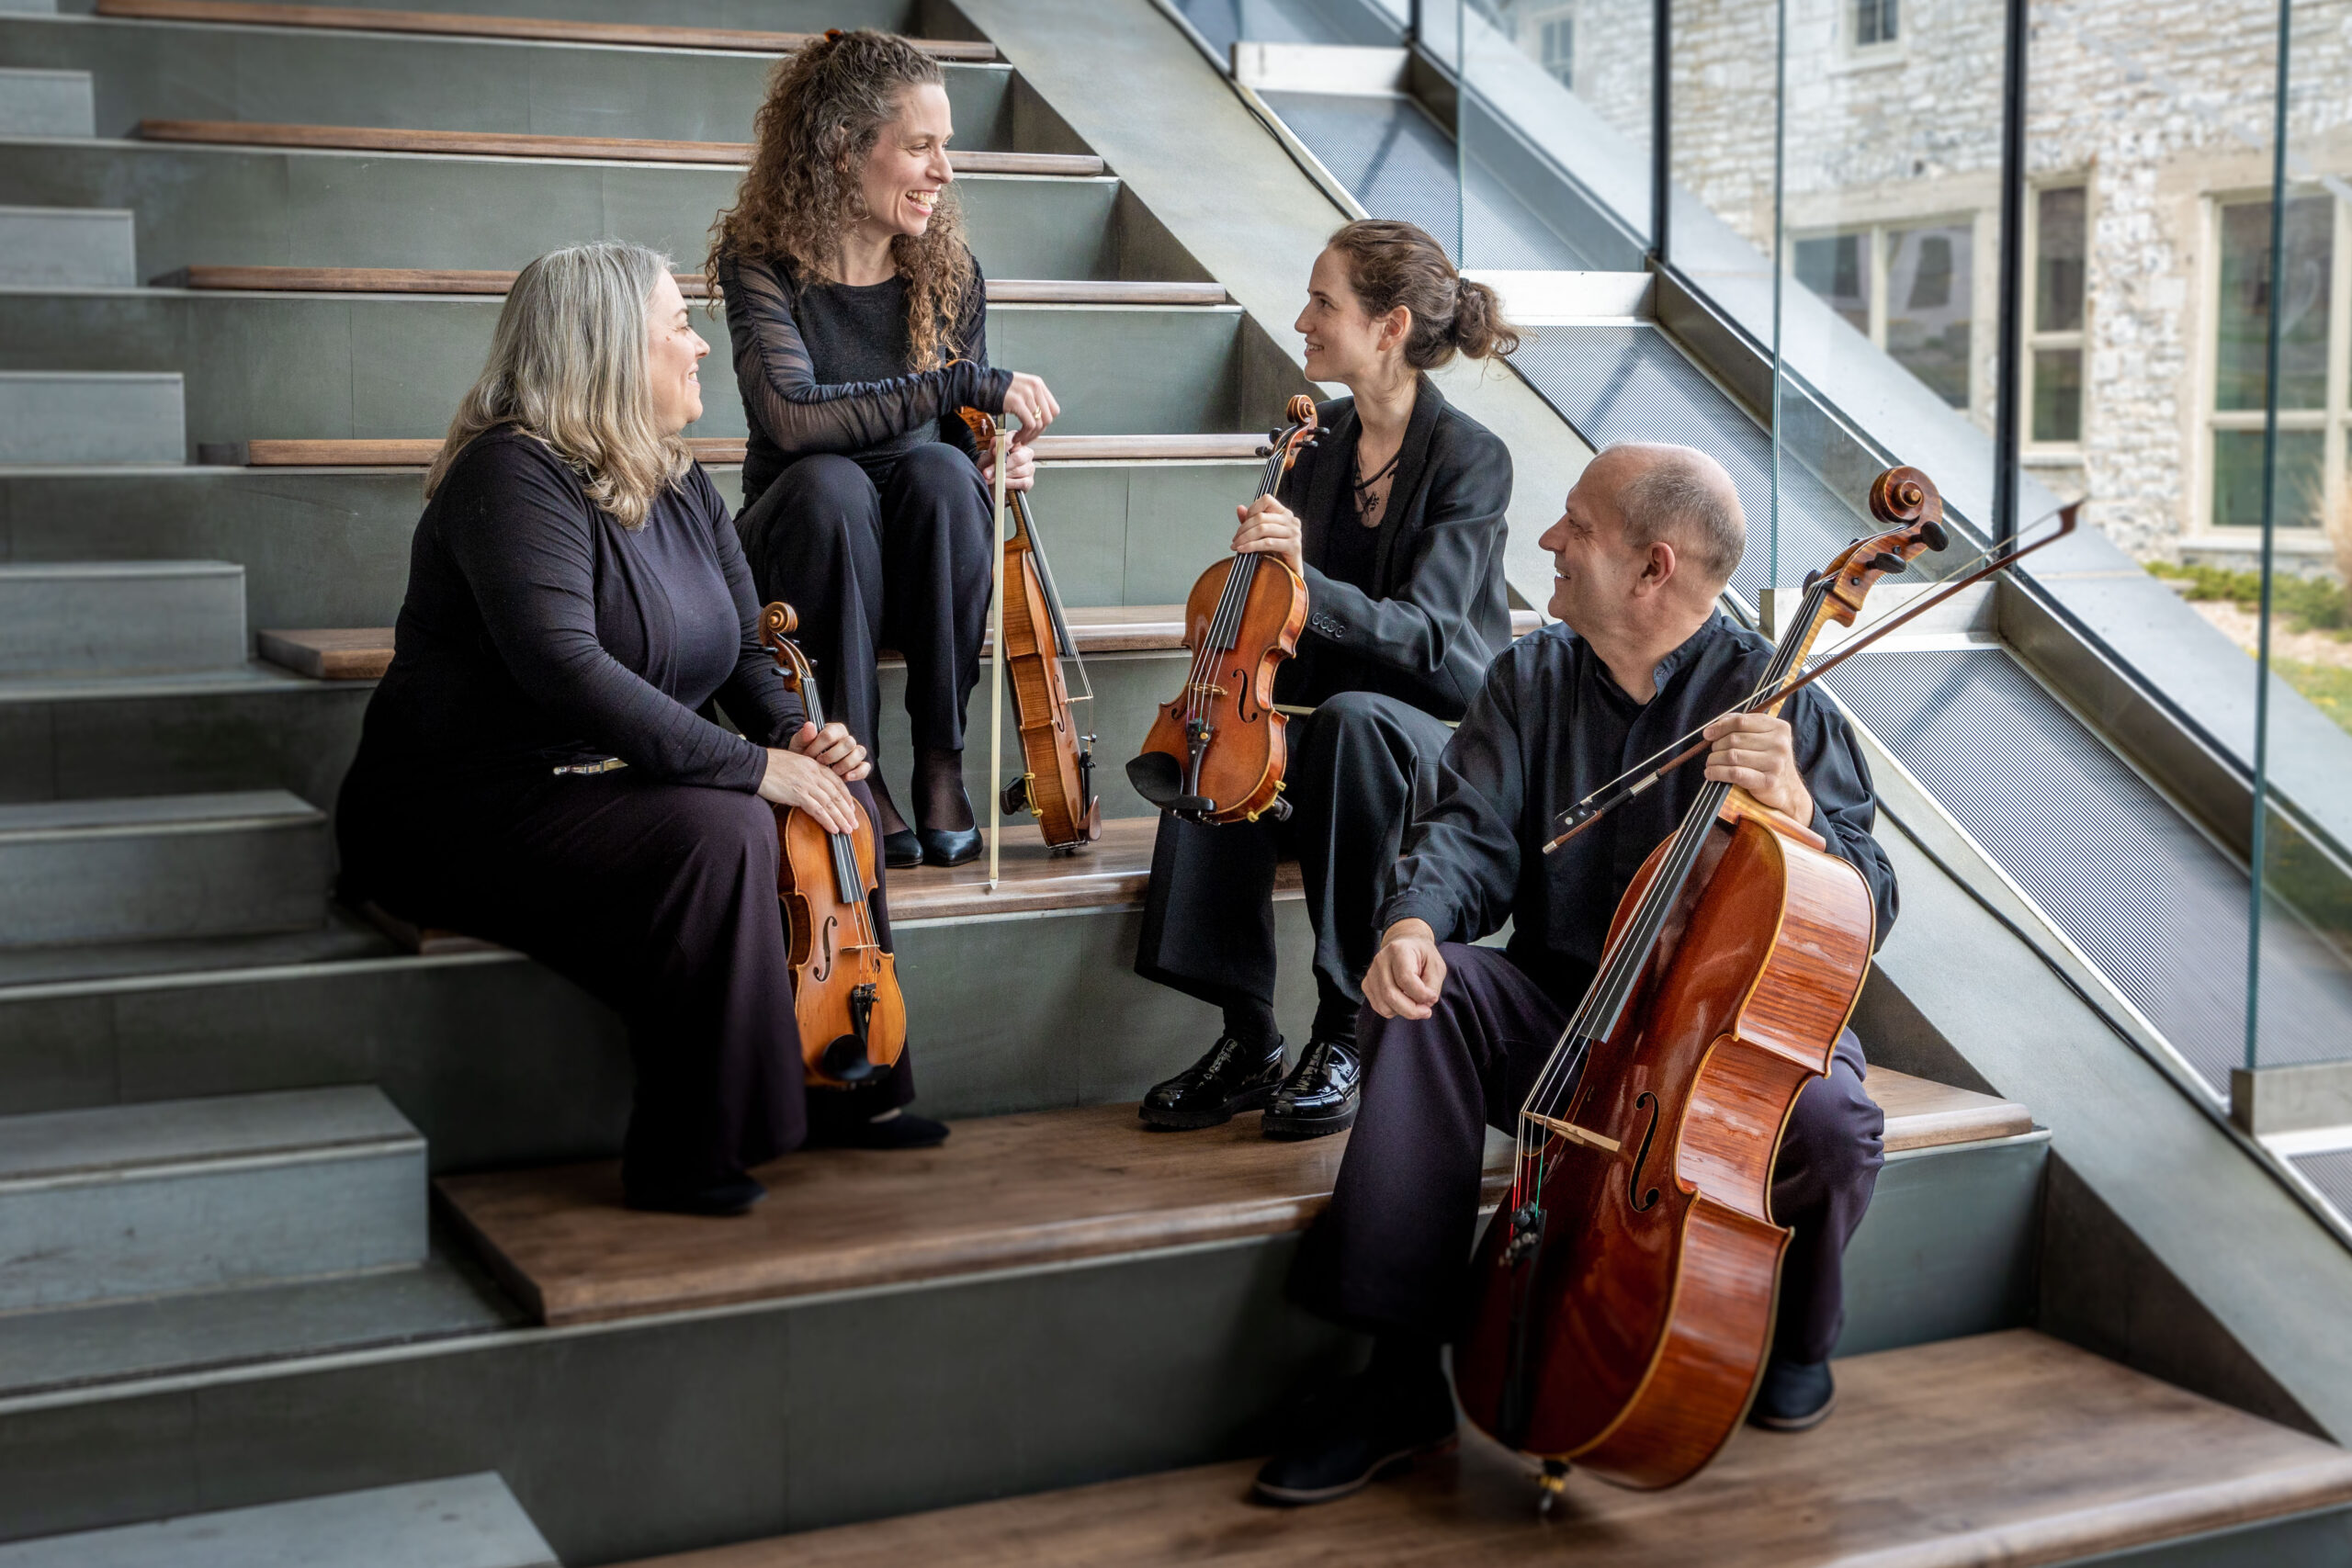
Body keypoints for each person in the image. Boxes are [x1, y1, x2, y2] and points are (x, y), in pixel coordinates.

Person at [1253, 443, 1898, 1505]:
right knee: (1432, 993)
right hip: (1562, 1011)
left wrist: (1802, 818)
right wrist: (1413, 921)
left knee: (1834, 1128)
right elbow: (1463, 830)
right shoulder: (1531, 676)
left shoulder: (1783, 705)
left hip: (1723, 1033)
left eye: (1575, 528)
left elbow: (1872, 895)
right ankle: (1402, 1374)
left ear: (1654, 567)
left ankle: (1794, 1338)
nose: (1547, 543)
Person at [336, 241, 947, 1222]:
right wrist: (750, 772)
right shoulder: (510, 475)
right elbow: (568, 673)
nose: (700, 347)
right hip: (463, 805)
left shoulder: (674, 475)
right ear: (611, 348)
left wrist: (799, 741)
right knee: (721, 834)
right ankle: (686, 1149)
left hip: (598, 784)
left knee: (844, 799)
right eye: (678, 327)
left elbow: (750, 655)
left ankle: (848, 1078)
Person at [1131, 219, 1521, 1142]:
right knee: (1226, 739)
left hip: (1436, 730)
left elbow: (1429, 636)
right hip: (1334, 709)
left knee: (1347, 722)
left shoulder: (1470, 459)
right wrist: (1255, 609)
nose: (1302, 318)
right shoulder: (1319, 439)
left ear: (1387, 326)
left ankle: (1345, 1026)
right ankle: (1248, 1034)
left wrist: (1303, 574)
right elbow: (1288, 622)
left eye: (1323, 301)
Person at [710, 28, 1061, 870]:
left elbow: (955, 437)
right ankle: (856, 770)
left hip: (911, 561)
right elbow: (791, 417)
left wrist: (994, 460)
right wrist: (958, 386)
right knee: (831, 484)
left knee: (943, 475)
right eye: (920, 146)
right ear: (842, 148)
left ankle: (941, 759)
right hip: (803, 550)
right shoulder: (760, 265)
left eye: (946, 147)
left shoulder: (948, 271)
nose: (944, 170)